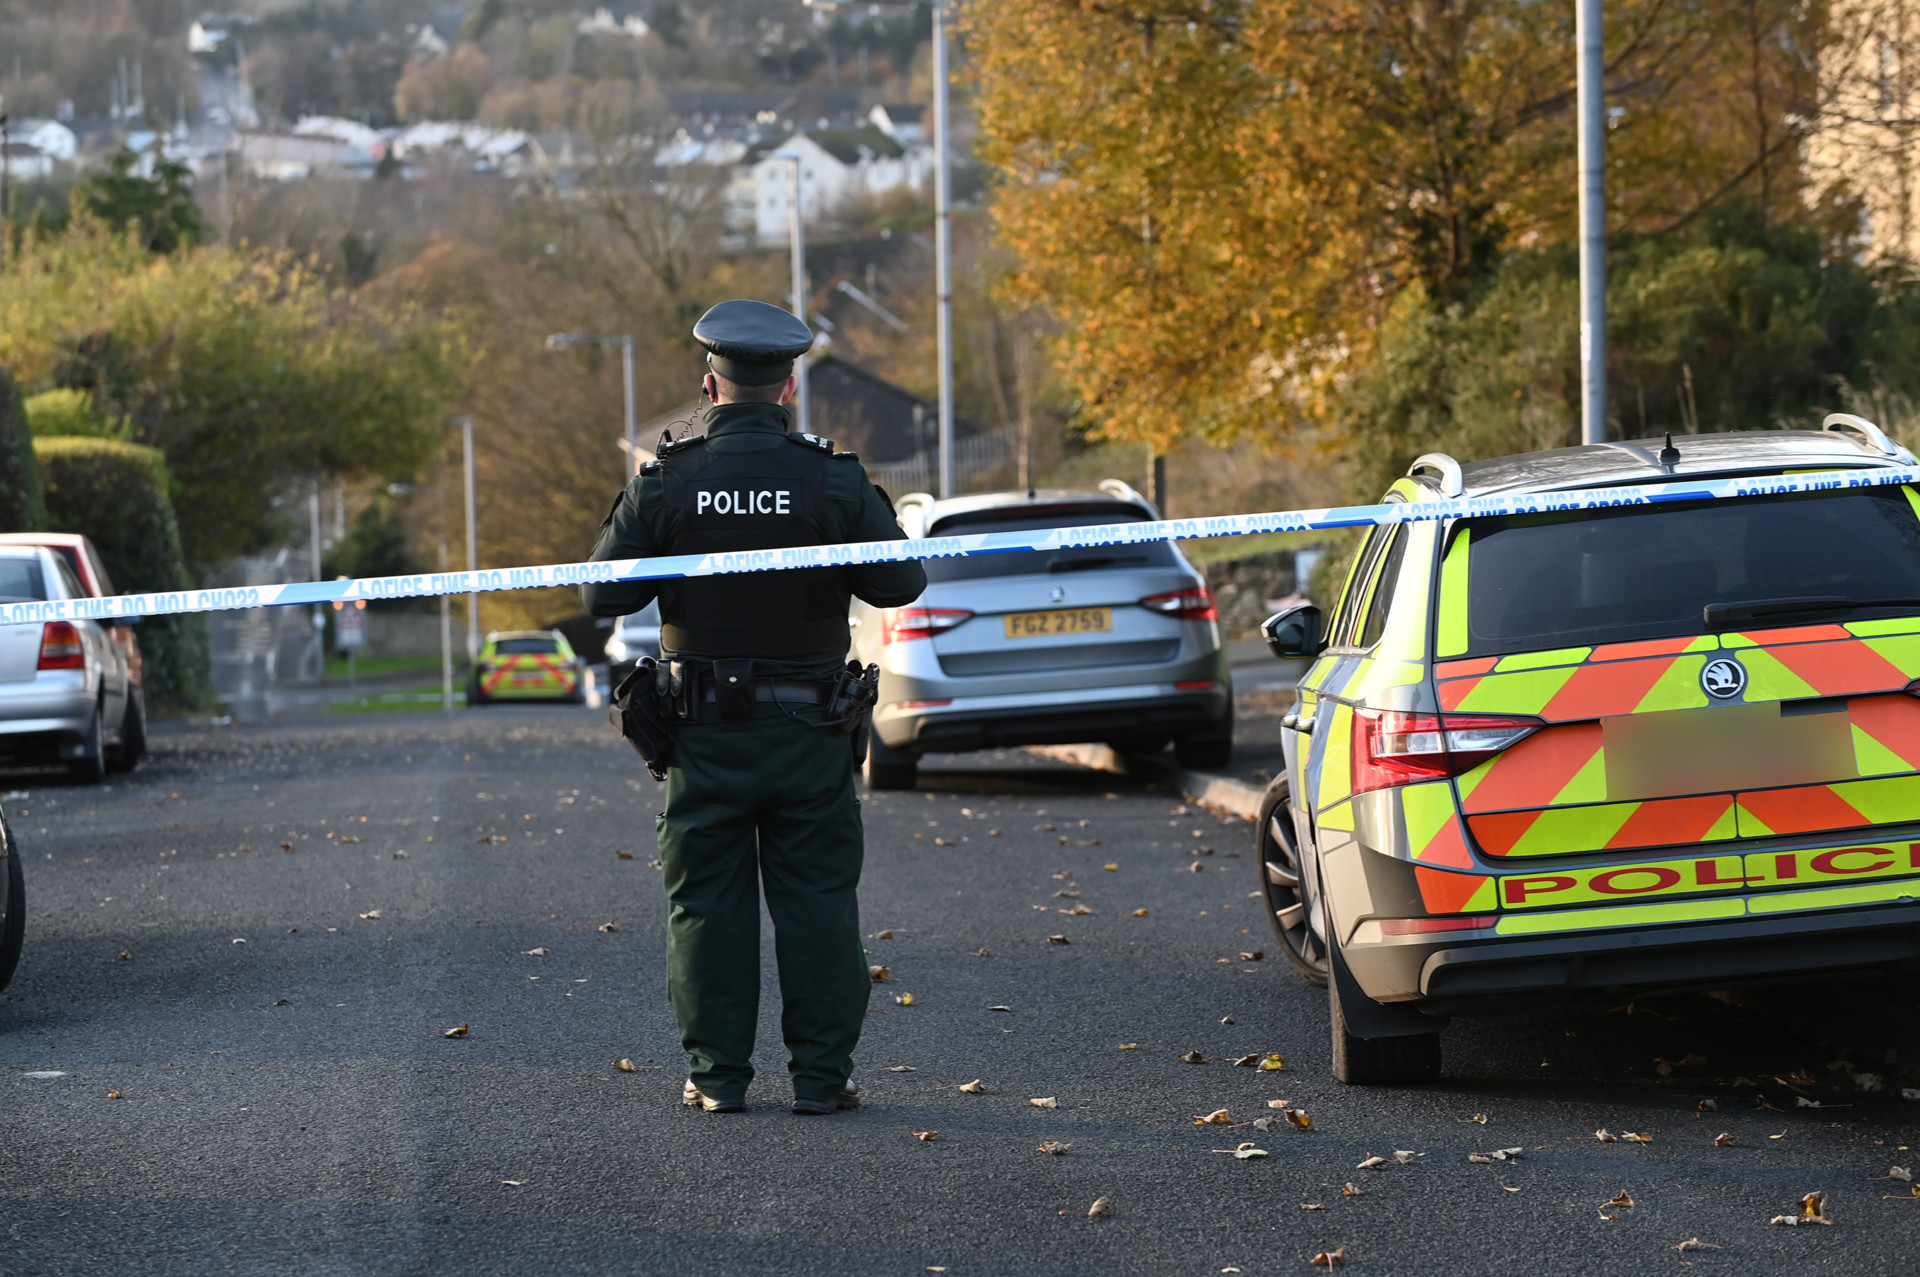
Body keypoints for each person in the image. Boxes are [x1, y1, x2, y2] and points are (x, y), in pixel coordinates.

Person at [581, 299, 927, 1115]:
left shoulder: (669, 479)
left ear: (709, 384)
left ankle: (717, 1077)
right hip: (810, 733)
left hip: (703, 735)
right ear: (790, 387)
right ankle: (820, 1078)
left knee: (706, 903)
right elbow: (901, 583)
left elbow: (600, 591)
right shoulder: (832, 477)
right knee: (818, 903)